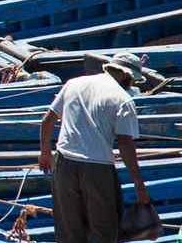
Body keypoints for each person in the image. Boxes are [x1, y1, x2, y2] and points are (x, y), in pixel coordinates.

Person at [39, 52, 151, 243]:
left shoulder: (74, 84)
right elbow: (125, 144)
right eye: (132, 81)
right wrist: (138, 183)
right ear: (126, 76)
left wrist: (45, 154)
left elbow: (47, 120)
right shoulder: (122, 100)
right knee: (104, 230)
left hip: (63, 163)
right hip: (98, 168)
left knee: (68, 229)